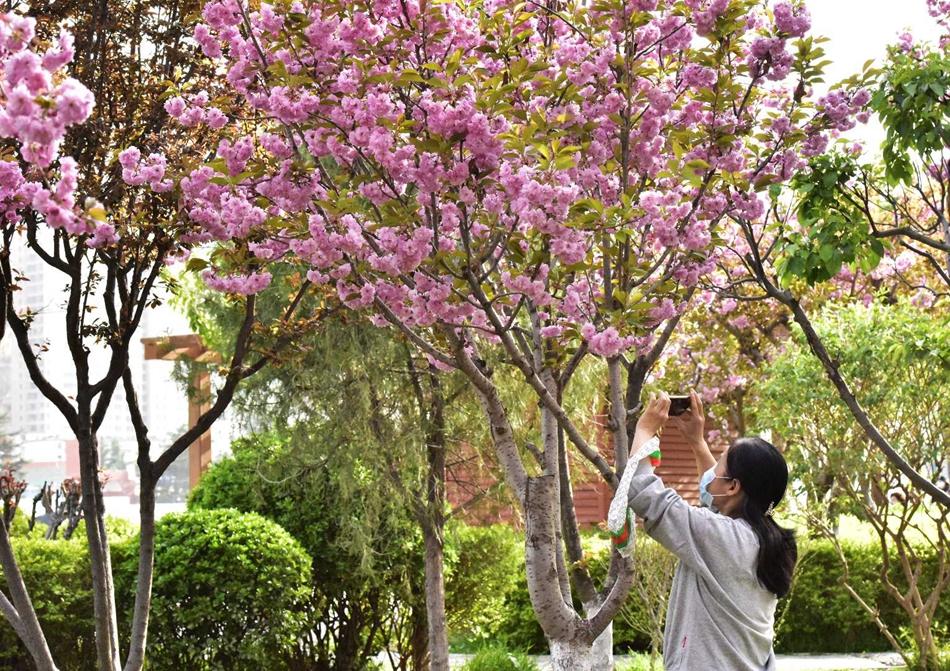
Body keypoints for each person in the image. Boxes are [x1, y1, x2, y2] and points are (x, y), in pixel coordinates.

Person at [612, 390, 797, 671]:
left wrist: (645, 430)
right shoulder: (764, 539)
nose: (713, 470)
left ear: (733, 486)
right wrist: (696, 442)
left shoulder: (724, 538)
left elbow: (645, 493)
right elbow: (715, 501)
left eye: (720, 462)